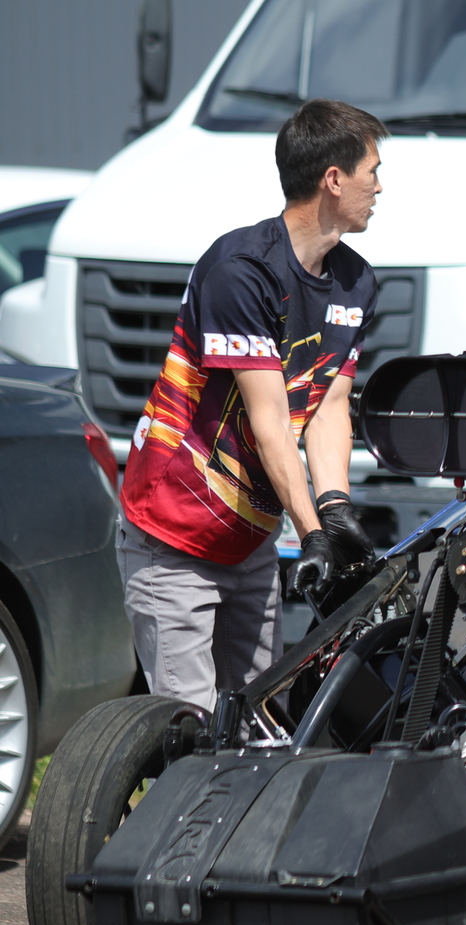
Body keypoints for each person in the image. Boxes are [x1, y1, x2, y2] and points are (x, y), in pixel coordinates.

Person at [118, 99, 385, 710]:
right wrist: (312, 534)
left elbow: (328, 405)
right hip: (174, 536)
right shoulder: (241, 270)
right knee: (188, 732)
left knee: (259, 727)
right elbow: (270, 424)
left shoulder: (356, 282)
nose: (380, 187)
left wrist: (334, 506)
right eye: (373, 171)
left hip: (251, 540)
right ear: (333, 179)